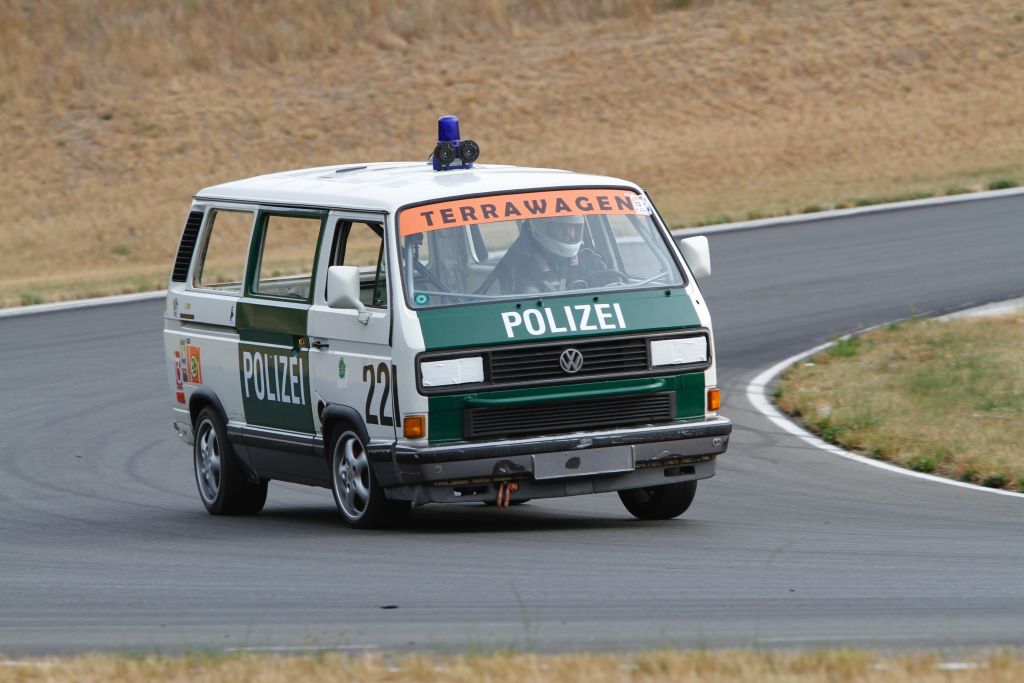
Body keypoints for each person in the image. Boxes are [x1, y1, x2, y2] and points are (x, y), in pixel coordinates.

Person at [501, 216, 611, 294]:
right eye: (561, 226)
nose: (569, 233)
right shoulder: (524, 266)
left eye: (573, 227)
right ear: (541, 227)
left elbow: (609, 289)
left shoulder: (589, 259)